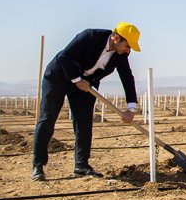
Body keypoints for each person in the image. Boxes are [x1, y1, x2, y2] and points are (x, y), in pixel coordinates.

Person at [31, 23, 140, 181]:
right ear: (116, 38)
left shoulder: (120, 54)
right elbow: (64, 57)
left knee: (84, 122)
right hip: (59, 78)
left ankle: (81, 166)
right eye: (128, 45)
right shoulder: (90, 36)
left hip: (86, 86)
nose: (128, 50)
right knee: (48, 119)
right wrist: (76, 79)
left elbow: (127, 77)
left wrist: (131, 107)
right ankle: (38, 165)